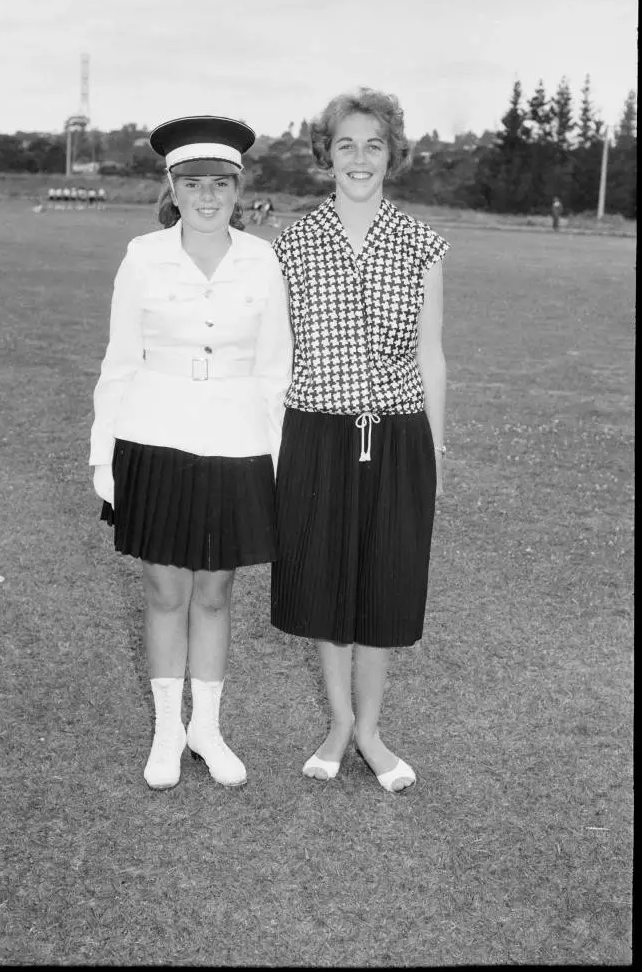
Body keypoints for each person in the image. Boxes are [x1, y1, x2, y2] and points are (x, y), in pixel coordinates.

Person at [89, 115, 293, 791]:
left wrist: (278, 459)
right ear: (171, 188)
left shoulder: (263, 259)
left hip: (238, 440)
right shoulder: (143, 254)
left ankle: (206, 727)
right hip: (154, 434)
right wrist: (103, 456)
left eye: (221, 183)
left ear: (239, 189)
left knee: (215, 592)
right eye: (192, 182)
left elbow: (274, 368)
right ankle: (166, 731)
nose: (207, 195)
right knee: (163, 588)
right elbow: (120, 359)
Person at [271, 87, 449, 794]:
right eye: (345, 143)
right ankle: (338, 722)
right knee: (323, 579)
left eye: (373, 144)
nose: (359, 157)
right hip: (315, 432)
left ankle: (370, 731)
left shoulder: (421, 244)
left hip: (399, 433)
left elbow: (431, 355)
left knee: (384, 582)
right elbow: (278, 356)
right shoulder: (292, 244)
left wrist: (436, 452)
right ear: (325, 155)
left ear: (391, 155)